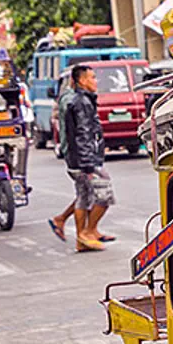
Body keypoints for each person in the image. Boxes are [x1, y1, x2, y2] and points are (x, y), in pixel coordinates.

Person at [63, 63, 113, 252]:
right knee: (104, 195)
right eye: (92, 77)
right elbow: (83, 135)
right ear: (82, 81)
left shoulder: (82, 100)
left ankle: (81, 239)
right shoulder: (82, 103)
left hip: (79, 159)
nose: (95, 81)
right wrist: (88, 165)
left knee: (83, 197)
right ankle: (88, 232)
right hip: (84, 161)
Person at [46, 71, 83, 242]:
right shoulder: (70, 99)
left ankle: (65, 222)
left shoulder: (76, 98)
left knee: (87, 193)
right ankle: (81, 235)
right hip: (77, 154)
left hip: (81, 153)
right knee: (87, 194)